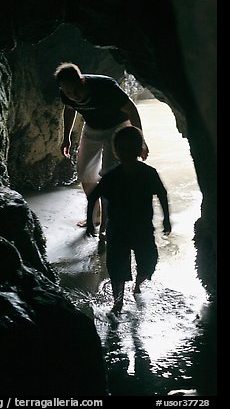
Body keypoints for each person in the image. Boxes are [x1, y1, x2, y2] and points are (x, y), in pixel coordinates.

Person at [54, 62, 149, 241]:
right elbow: (69, 109)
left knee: (109, 176)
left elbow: (131, 109)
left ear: (82, 81)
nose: (73, 96)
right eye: (67, 93)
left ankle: (107, 225)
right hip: (92, 128)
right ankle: (96, 216)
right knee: (85, 174)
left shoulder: (105, 87)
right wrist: (66, 137)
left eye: (75, 91)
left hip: (117, 127)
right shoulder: (65, 93)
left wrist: (140, 140)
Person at [86, 125, 171, 313]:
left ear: (140, 150)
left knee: (149, 261)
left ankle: (138, 285)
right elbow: (93, 196)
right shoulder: (111, 177)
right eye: (122, 148)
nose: (126, 152)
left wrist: (166, 219)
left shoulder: (149, 173)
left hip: (142, 228)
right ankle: (118, 303)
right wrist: (90, 224)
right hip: (118, 230)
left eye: (130, 148)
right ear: (116, 151)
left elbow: (162, 194)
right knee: (117, 268)